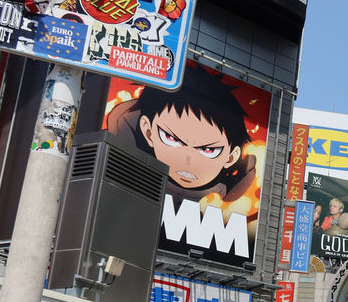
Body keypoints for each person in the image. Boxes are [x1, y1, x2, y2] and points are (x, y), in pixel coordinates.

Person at [107, 64, 256, 205]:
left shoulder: (228, 202)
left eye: (208, 150)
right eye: (171, 138)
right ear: (148, 131)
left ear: (231, 156)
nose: (188, 160)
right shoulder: (125, 175)